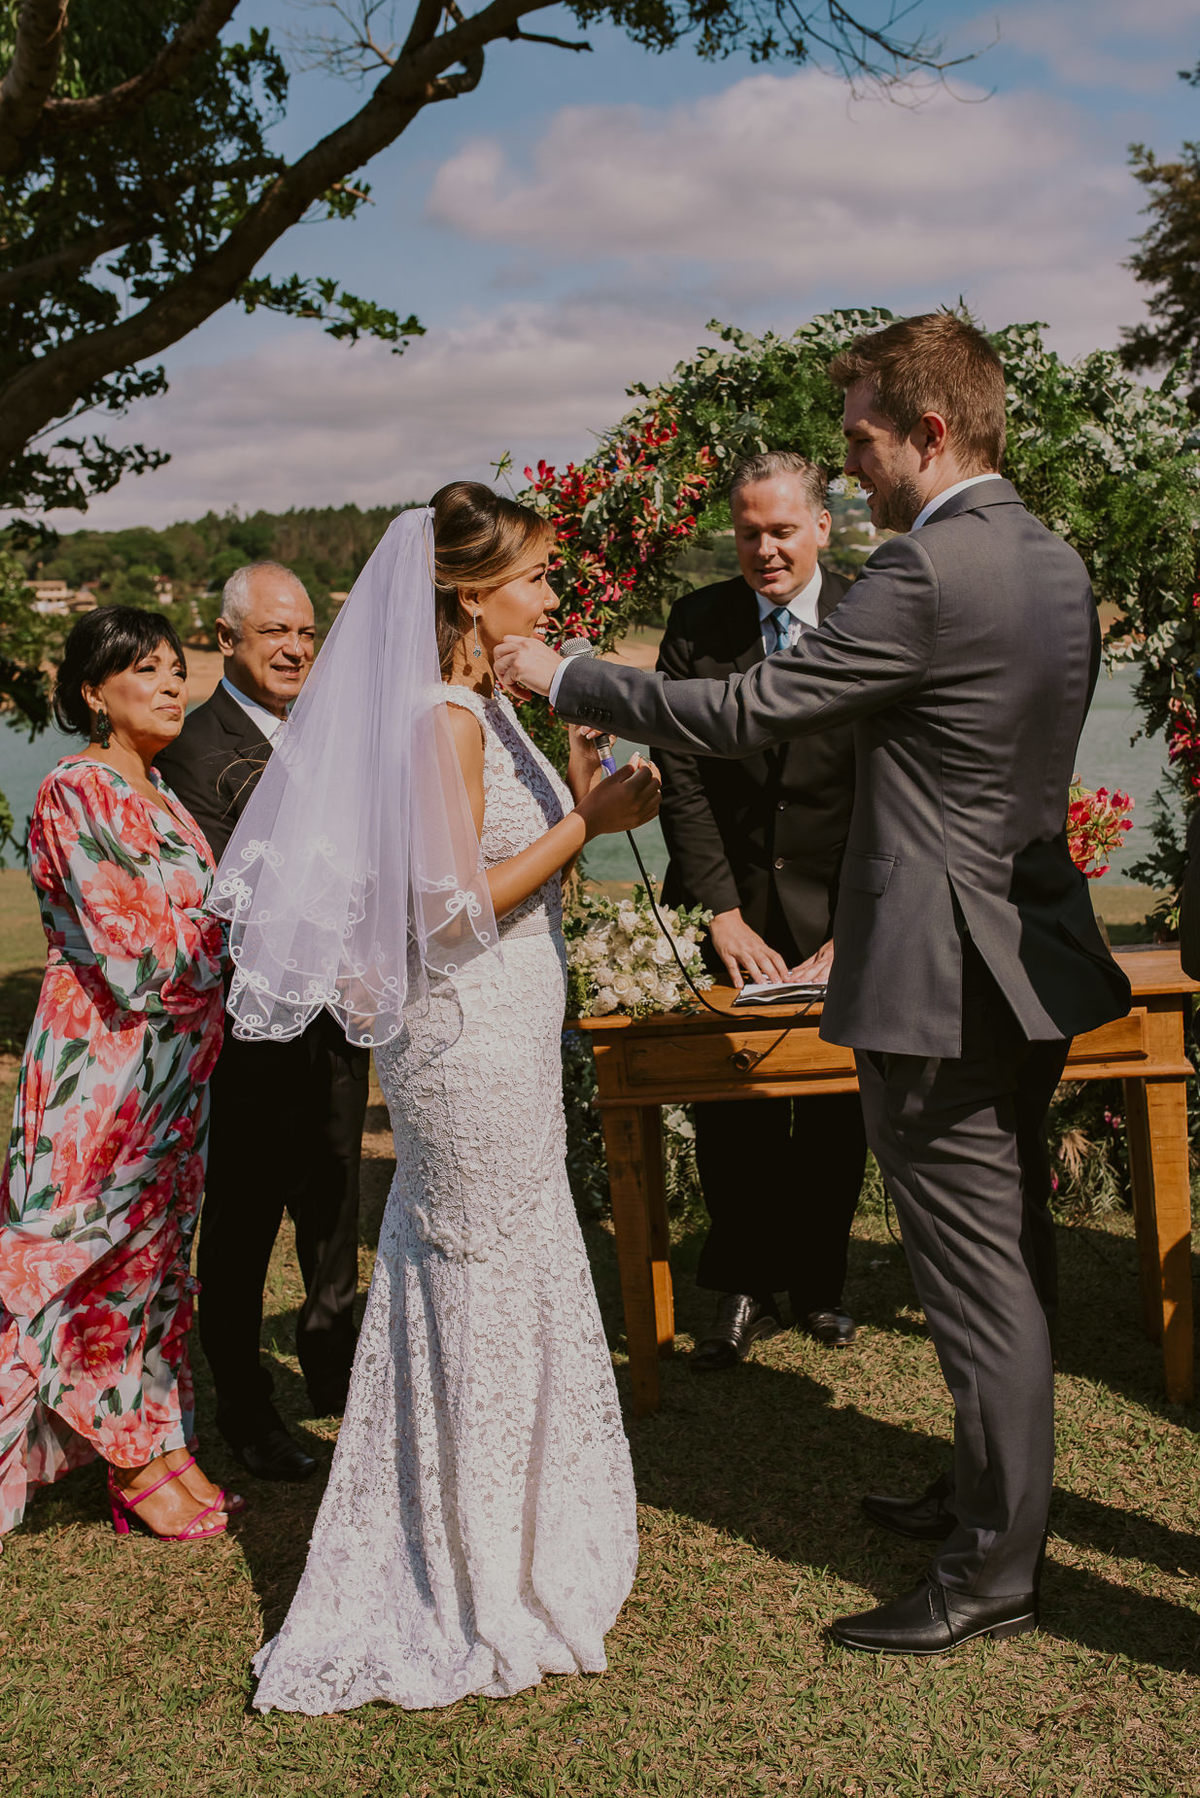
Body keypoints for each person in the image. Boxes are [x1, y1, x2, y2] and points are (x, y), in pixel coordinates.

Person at [495, 313, 1133, 1658]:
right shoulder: (1052, 560)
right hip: (1030, 956)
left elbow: (746, 712)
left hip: (943, 973)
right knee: (1006, 1255)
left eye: (862, 442)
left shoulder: (922, 570)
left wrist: (570, 672)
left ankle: (994, 1566)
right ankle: (984, 1493)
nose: (853, 473)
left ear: (932, 434)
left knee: (981, 1283)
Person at [210, 486, 654, 1712]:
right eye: (536, 580)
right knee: (474, 1267)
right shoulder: (440, 717)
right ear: (470, 594)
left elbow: (487, 861)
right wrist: (593, 826)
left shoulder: (487, 709)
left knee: (513, 1259)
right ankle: (460, 1566)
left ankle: (520, 1523)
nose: (554, 599)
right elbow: (447, 913)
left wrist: (572, 780)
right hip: (467, 1037)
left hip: (510, 1023)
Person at [0, 607, 233, 1543]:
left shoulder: (166, 794)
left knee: (150, 1266)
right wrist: (258, 933)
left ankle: (151, 1446)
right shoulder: (75, 789)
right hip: (98, 1077)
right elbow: (141, 954)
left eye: (178, 668)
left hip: (171, 1078)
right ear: (95, 693)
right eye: (147, 671)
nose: (173, 684)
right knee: (67, 1264)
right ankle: (129, 1461)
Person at [157, 563, 370, 1482]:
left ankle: (334, 1377)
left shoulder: (329, 735)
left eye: (305, 633)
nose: (293, 648)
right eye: (273, 633)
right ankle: (247, 1411)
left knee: (334, 1208)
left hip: (335, 1022)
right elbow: (220, 896)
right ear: (225, 637)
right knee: (240, 1228)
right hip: (245, 1035)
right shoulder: (192, 751)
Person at [656, 450, 865, 1369]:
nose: (766, 550)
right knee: (730, 1102)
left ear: (822, 526)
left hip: (846, 904)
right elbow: (684, 773)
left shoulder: (871, 616)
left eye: (782, 531)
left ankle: (820, 1283)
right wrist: (721, 910)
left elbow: (899, 781)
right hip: (729, 904)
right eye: (749, 534)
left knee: (837, 1110)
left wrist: (858, 924)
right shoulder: (696, 623)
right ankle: (741, 1282)